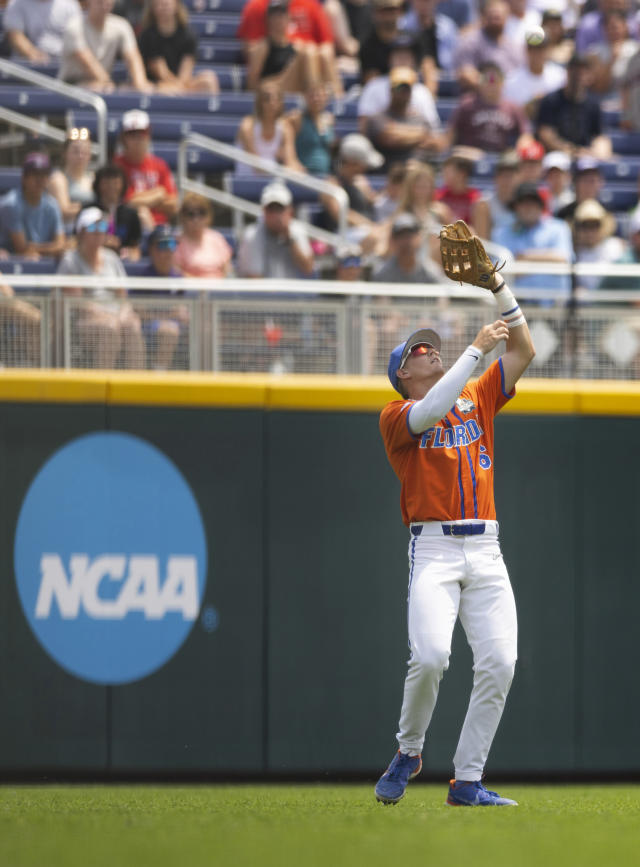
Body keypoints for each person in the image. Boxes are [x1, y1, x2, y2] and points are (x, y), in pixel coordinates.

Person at [375, 260, 535, 807]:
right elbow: (430, 412)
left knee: (501, 663)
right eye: (418, 352)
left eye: (431, 347)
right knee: (431, 657)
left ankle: (467, 780)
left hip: (486, 547)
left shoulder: (477, 395)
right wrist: (473, 350)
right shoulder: (395, 414)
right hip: (436, 548)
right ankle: (409, 749)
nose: (429, 351)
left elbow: (524, 351)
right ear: (403, 374)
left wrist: (498, 288)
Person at [57, 206, 145, 368]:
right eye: (93, 227)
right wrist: (111, 317)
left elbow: (123, 298)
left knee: (132, 325)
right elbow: (78, 303)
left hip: (113, 317)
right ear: (81, 232)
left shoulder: (112, 258)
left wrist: (122, 315)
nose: (98, 231)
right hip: (83, 321)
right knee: (109, 328)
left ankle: (135, 387)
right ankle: (103, 388)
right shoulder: (70, 261)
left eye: (102, 227)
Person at [237, 0, 342, 96]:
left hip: (294, 83)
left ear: (288, 18)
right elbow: (252, 84)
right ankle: (317, 96)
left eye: (282, 16)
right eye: (275, 16)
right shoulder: (262, 47)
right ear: (267, 19)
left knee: (317, 53)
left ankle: (337, 98)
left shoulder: (295, 45)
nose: (278, 20)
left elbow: (327, 45)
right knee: (309, 52)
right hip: (272, 88)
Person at [492, 180, 573, 294]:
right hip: (515, 305)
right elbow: (502, 272)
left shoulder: (559, 228)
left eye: (532, 202)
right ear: (515, 207)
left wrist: (524, 257)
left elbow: (563, 259)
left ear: (540, 206)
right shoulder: (502, 233)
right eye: (523, 203)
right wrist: (545, 263)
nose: (528, 207)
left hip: (555, 305)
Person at [59, 0, 152, 92]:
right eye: (100, 1)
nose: (104, 3)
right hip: (69, 88)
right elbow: (87, 62)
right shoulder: (74, 26)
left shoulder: (122, 26)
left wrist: (141, 85)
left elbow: (133, 57)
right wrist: (107, 84)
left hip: (103, 85)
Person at [535, 52, 612, 159]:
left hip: (585, 156)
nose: (578, 76)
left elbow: (598, 135)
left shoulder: (593, 103)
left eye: (582, 71)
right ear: (568, 72)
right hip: (557, 155)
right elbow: (545, 134)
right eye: (575, 70)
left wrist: (595, 152)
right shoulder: (551, 100)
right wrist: (569, 150)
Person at [365, 65, 444, 167]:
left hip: (416, 173)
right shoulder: (377, 118)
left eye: (407, 89)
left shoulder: (420, 118)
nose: (403, 93)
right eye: (399, 88)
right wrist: (421, 134)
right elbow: (389, 139)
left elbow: (436, 144)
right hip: (390, 174)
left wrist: (400, 133)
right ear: (391, 90)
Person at [135, 224, 190, 370]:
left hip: (177, 325)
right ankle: (158, 377)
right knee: (169, 330)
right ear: (152, 250)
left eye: (171, 244)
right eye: (162, 245)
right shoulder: (144, 278)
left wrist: (184, 313)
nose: (168, 250)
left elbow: (184, 307)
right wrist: (167, 314)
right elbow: (138, 311)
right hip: (151, 326)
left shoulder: (178, 277)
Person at [446, 61, 531, 154]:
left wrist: (522, 146)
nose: (491, 86)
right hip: (470, 157)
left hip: (502, 160)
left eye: (495, 81)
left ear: (502, 83)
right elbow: (450, 134)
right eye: (487, 81)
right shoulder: (467, 105)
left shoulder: (513, 108)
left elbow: (526, 135)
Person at [113, 109, 179, 229]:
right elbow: (127, 203)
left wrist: (140, 199)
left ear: (148, 136)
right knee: (142, 213)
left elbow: (173, 205)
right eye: (132, 135)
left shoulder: (160, 165)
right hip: (130, 227)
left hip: (161, 228)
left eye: (141, 134)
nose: (137, 140)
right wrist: (159, 194)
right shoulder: (117, 165)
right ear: (124, 138)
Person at [137, 0, 219, 94]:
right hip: (157, 85)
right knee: (162, 89)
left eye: (166, 4)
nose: (162, 8)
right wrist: (178, 88)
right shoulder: (147, 35)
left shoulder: (188, 35)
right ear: (152, 9)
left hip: (182, 85)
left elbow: (185, 73)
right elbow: (160, 72)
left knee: (209, 80)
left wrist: (180, 87)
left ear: (176, 6)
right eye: (158, 5)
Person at [237, 181, 314, 278]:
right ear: (264, 211)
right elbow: (254, 279)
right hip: (263, 292)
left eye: (280, 209)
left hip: (291, 292)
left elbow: (308, 269)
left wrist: (290, 239)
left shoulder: (297, 230)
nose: (276, 215)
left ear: (290, 211)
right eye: (271, 209)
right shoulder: (252, 235)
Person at [0, 152, 65, 259]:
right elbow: (22, 249)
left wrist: (35, 248)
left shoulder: (52, 205)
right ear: (24, 178)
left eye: (44, 175)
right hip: (9, 264)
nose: (40, 180)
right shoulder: (11, 204)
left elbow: (60, 244)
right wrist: (52, 248)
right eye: (34, 174)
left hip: (43, 262)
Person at [236, 81, 303, 177]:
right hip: (247, 180)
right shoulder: (247, 125)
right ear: (260, 102)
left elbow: (290, 160)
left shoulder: (285, 128)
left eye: (277, 99)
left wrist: (295, 169)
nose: (272, 103)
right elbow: (256, 165)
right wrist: (283, 172)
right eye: (267, 98)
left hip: (272, 180)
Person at [453, 0, 523, 91]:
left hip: (510, 97)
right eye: (492, 17)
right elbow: (466, 75)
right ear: (483, 17)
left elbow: (522, 75)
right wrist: (494, 84)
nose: (495, 21)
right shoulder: (470, 42)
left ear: (507, 18)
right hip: (479, 99)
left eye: (498, 17)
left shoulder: (514, 46)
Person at [502, 32, 567, 118]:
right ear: (526, 50)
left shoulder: (561, 76)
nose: (536, 53)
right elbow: (507, 114)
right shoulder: (511, 81)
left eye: (541, 48)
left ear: (548, 50)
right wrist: (525, 109)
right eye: (532, 49)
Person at [48, 126, 95, 234]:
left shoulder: (93, 178)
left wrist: (76, 206)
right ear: (64, 153)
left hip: (93, 231)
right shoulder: (58, 178)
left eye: (85, 152)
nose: (80, 156)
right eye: (75, 151)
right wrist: (93, 207)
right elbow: (63, 211)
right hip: (68, 232)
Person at [174, 193, 233, 279]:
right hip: (191, 290)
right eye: (191, 214)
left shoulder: (217, 238)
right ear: (183, 217)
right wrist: (203, 287)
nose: (196, 219)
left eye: (202, 213)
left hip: (219, 289)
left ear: (209, 215)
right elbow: (177, 273)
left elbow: (227, 270)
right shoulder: (177, 242)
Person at [572, 198, 626, 290]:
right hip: (585, 303)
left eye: (595, 225)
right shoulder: (574, 253)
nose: (590, 231)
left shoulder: (615, 247)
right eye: (585, 226)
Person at [92, 162, 142, 260]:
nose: (111, 187)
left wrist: (129, 254)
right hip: (93, 256)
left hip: (122, 259)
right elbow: (78, 240)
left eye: (115, 183)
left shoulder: (131, 214)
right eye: (106, 182)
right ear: (99, 184)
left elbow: (135, 246)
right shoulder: (89, 212)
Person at [3, 0, 81, 63]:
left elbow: (78, 39)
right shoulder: (16, 4)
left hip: (63, 64)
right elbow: (15, 35)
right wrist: (32, 54)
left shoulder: (70, 5)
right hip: (27, 67)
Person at [372, 212, 439, 282]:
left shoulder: (430, 272)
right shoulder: (382, 274)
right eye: (401, 236)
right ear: (393, 241)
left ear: (419, 239)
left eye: (409, 236)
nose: (406, 242)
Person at [286, 82, 335, 176]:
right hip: (304, 176)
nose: (316, 99)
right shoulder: (296, 119)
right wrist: (294, 163)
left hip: (326, 175)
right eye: (312, 95)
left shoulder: (329, 120)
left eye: (319, 95)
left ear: (326, 98)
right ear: (305, 97)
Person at [471, 148, 521, 240]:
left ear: (519, 177)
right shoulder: (484, 205)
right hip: (497, 253)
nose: (507, 180)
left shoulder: (527, 201)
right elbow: (483, 243)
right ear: (496, 178)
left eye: (511, 175)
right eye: (503, 175)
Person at [358, 0, 404, 84]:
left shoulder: (410, 40)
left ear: (400, 11)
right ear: (375, 13)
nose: (388, 16)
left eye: (392, 10)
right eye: (384, 11)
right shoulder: (367, 46)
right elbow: (372, 83)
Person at [435, 147, 483, 226]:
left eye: (448, 172)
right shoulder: (439, 196)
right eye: (444, 172)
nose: (444, 176)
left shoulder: (475, 198)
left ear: (462, 174)